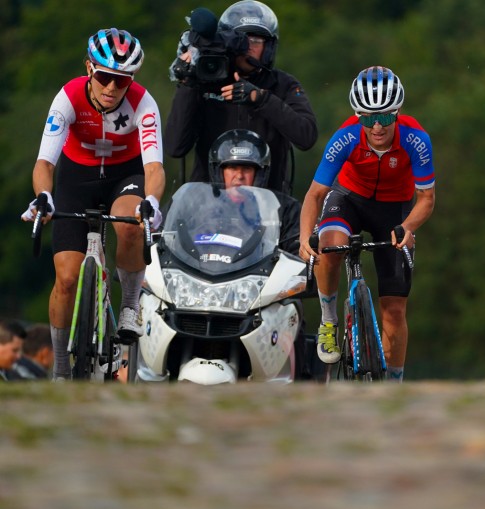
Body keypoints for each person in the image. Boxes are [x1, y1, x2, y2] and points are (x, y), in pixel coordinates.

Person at [21, 28, 166, 381]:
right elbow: (45, 163)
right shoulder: (68, 98)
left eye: (122, 81)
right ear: (89, 69)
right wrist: (44, 195)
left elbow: (154, 167)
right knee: (67, 278)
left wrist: (151, 201)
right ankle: (59, 367)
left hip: (125, 176)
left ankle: (130, 304)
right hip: (77, 178)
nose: (112, 88)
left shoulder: (144, 104)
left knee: (129, 221)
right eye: (105, 77)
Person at [298, 66, 436, 382]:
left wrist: (408, 227)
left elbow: (426, 199)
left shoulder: (416, 140)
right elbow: (315, 194)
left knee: (395, 310)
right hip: (349, 199)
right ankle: (329, 319)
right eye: (367, 118)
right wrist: (306, 237)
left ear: (397, 113)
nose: (376, 126)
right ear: (357, 116)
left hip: (394, 209)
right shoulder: (345, 136)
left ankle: (394, 383)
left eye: (385, 118)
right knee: (330, 245)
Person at [165, 0, 318, 195]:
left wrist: (260, 98)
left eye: (255, 41)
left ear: (269, 47)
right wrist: (188, 83)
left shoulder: (283, 84)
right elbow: (175, 147)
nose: (247, 47)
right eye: (240, 40)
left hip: (268, 208)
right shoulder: (205, 81)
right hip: (207, 207)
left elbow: (307, 137)